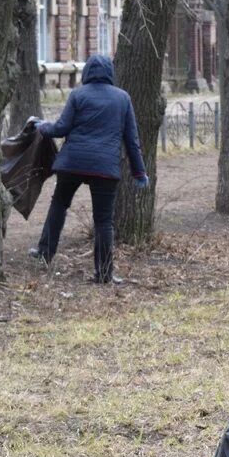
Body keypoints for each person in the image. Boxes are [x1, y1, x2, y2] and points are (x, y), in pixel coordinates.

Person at [28, 54, 149, 285]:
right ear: (110, 73)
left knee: (59, 204)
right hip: (104, 168)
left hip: (72, 163)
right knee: (104, 221)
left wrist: (42, 126)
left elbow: (61, 128)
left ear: (86, 73)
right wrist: (139, 173)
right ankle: (104, 274)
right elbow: (131, 140)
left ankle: (45, 252)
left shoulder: (78, 94)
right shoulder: (122, 98)